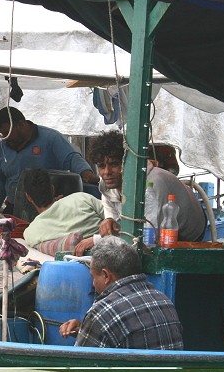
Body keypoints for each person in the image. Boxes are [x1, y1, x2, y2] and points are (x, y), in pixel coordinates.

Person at [74, 131, 206, 255]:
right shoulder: (106, 186)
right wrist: (109, 222)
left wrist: (96, 240)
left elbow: (148, 239)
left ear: (127, 163)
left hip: (189, 233)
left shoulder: (153, 184)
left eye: (114, 164)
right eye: (102, 166)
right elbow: (115, 229)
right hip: (154, 231)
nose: (106, 172)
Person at [59, 236, 183, 349]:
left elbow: (81, 367)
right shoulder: (164, 301)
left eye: (94, 277)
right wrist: (84, 330)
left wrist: (91, 326)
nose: (93, 284)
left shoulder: (101, 313)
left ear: (106, 276)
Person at [0, 107, 99, 215]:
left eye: (7, 133)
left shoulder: (51, 138)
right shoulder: (1, 148)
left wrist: (86, 173)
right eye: (1, 134)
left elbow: (71, 158)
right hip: (14, 209)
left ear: (20, 125)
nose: (4, 138)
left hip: (49, 208)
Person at [21, 169, 104, 251]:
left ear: (28, 197)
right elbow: (114, 216)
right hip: (108, 247)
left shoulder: (31, 232)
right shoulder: (81, 198)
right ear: (52, 188)